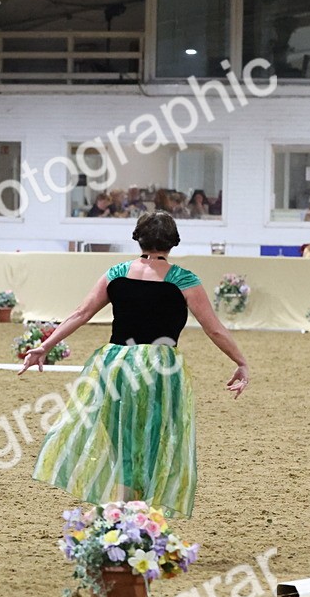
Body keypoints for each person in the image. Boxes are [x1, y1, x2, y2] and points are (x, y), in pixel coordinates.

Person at [20, 211, 249, 518]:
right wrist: (240, 361)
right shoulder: (184, 280)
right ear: (173, 241)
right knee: (152, 438)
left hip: (114, 364)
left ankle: (122, 503)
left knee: (119, 437)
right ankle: (135, 508)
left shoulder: (116, 273)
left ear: (138, 238)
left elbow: (81, 313)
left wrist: (45, 345)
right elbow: (214, 329)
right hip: (157, 367)